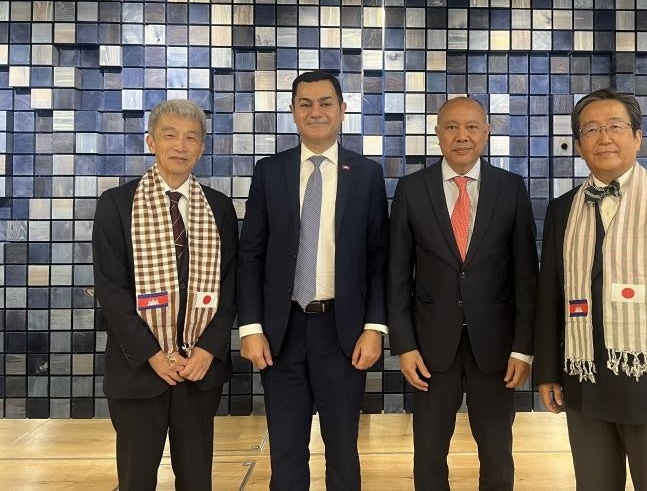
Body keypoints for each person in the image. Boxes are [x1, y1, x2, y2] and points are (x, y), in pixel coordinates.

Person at [534, 88, 647, 491]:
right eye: (591, 130)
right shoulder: (561, 210)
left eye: (615, 127)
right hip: (584, 381)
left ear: (638, 137)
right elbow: (549, 296)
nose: (603, 138)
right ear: (579, 144)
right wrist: (547, 371)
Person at [236, 70, 389, 490]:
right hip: (280, 332)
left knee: (342, 450)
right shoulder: (269, 172)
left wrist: (375, 327)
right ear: (292, 111)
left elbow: (380, 257)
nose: (315, 111)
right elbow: (250, 255)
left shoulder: (367, 174)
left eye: (325, 103)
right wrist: (250, 327)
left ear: (342, 109)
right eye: (305, 103)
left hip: (343, 332)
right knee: (286, 452)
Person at [387, 96, 538, 490]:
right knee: (429, 453)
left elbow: (526, 276)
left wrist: (523, 348)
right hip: (430, 348)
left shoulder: (510, 188)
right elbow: (397, 274)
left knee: (497, 452)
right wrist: (404, 345)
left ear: (486, 133)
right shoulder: (412, 189)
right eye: (451, 127)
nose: (462, 136)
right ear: (438, 134)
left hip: (497, 348)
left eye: (472, 127)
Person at [92, 99, 238, 491]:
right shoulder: (117, 205)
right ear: (151, 141)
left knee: (196, 479)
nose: (180, 146)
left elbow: (229, 289)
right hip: (139, 369)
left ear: (202, 147)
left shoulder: (219, 208)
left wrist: (207, 350)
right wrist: (153, 355)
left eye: (191, 138)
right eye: (170, 135)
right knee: (136, 480)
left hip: (197, 371)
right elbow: (111, 290)